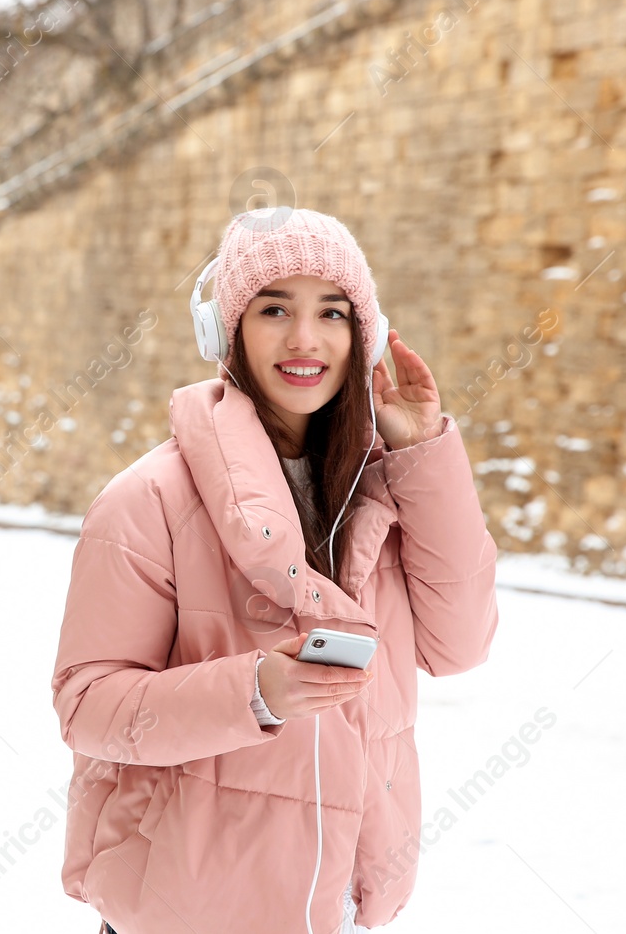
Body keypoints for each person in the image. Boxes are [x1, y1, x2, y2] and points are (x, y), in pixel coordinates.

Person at [51, 207, 500, 934]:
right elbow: (87, 706)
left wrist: (426, 456)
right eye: (273, 308)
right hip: (186, 913)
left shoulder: (382, 492)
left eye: (332, 311)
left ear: (367, 335)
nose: (304, 338)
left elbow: (461, 645)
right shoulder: (147, 501)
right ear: (226, 331)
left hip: (337, 911)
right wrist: (255, 692)